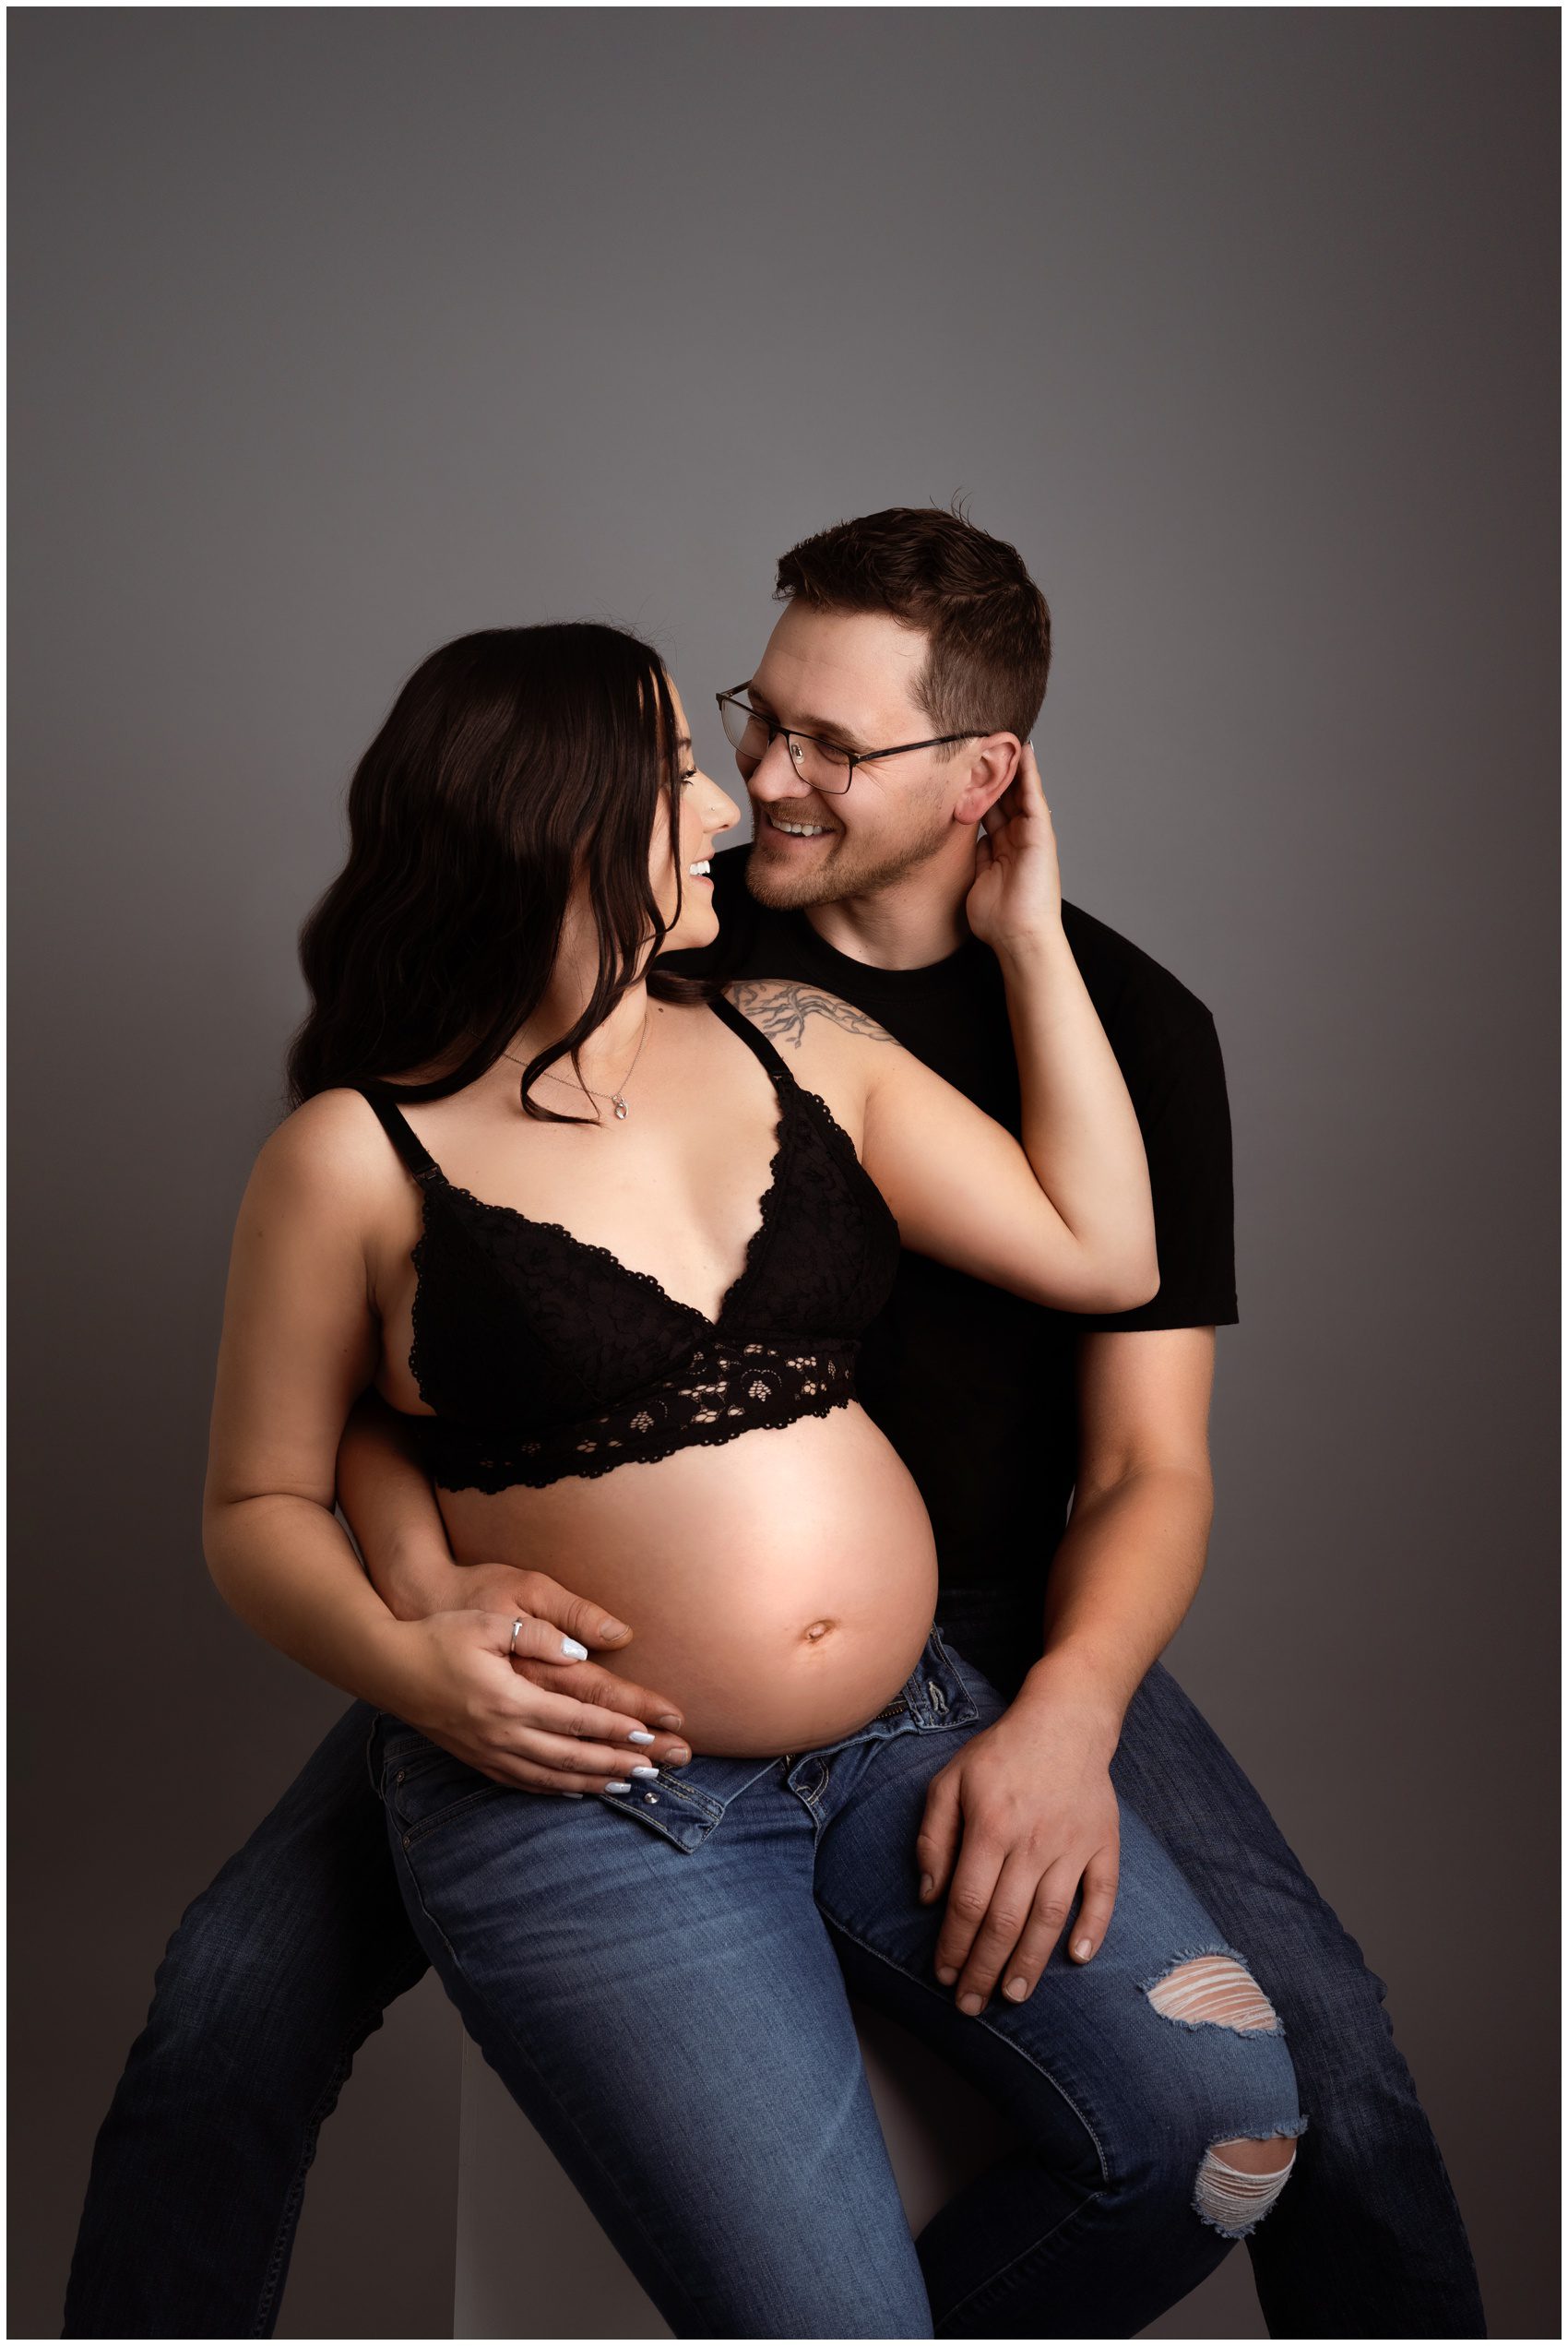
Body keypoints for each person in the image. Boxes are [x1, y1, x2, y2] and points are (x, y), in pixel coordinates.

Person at [63, 511, 1483, 2340]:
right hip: (597, 1707)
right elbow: (364, 1402)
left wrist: (1066, 1712)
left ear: (983, 776)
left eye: (830, 747)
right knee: (232, 1993)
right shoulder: (651, 1000)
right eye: (746, 728)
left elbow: (1139, 1421)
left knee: (1310, 2067)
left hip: (965, 1658)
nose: (757, 787)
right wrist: (415, 1616)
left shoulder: (1055, 1026)